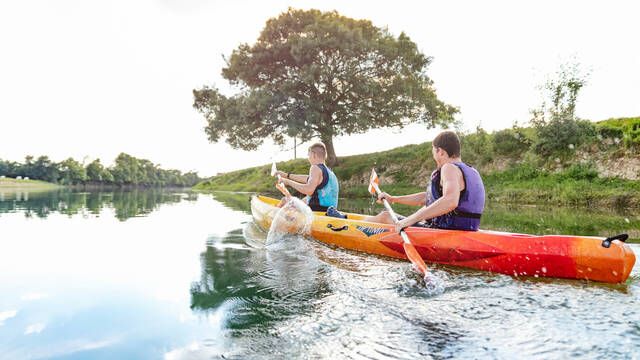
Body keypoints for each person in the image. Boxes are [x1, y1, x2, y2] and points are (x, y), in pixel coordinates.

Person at [365, 131, 485, 233]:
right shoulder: (471, 170)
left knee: (385, 216)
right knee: (421, 217)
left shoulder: (449, 168)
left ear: (441, 151)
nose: (433, 155)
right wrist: (394, 199)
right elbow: (428, 198)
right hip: (467, 230)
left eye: (433, 151)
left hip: (446, 232)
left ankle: (347, 227)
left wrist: (409, 220)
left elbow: (450, 201)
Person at [274, 142, 339, 212]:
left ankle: (274, 215)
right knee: (300, 200)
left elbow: (309, 190)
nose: (309, 159)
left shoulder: (315, 168)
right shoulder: (329, 172)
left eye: (309, 156)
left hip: (317, 211)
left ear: (314, 155)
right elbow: (308, 178)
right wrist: (287, 175)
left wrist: (288, 182)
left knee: (284, 200)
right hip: (329, 211)